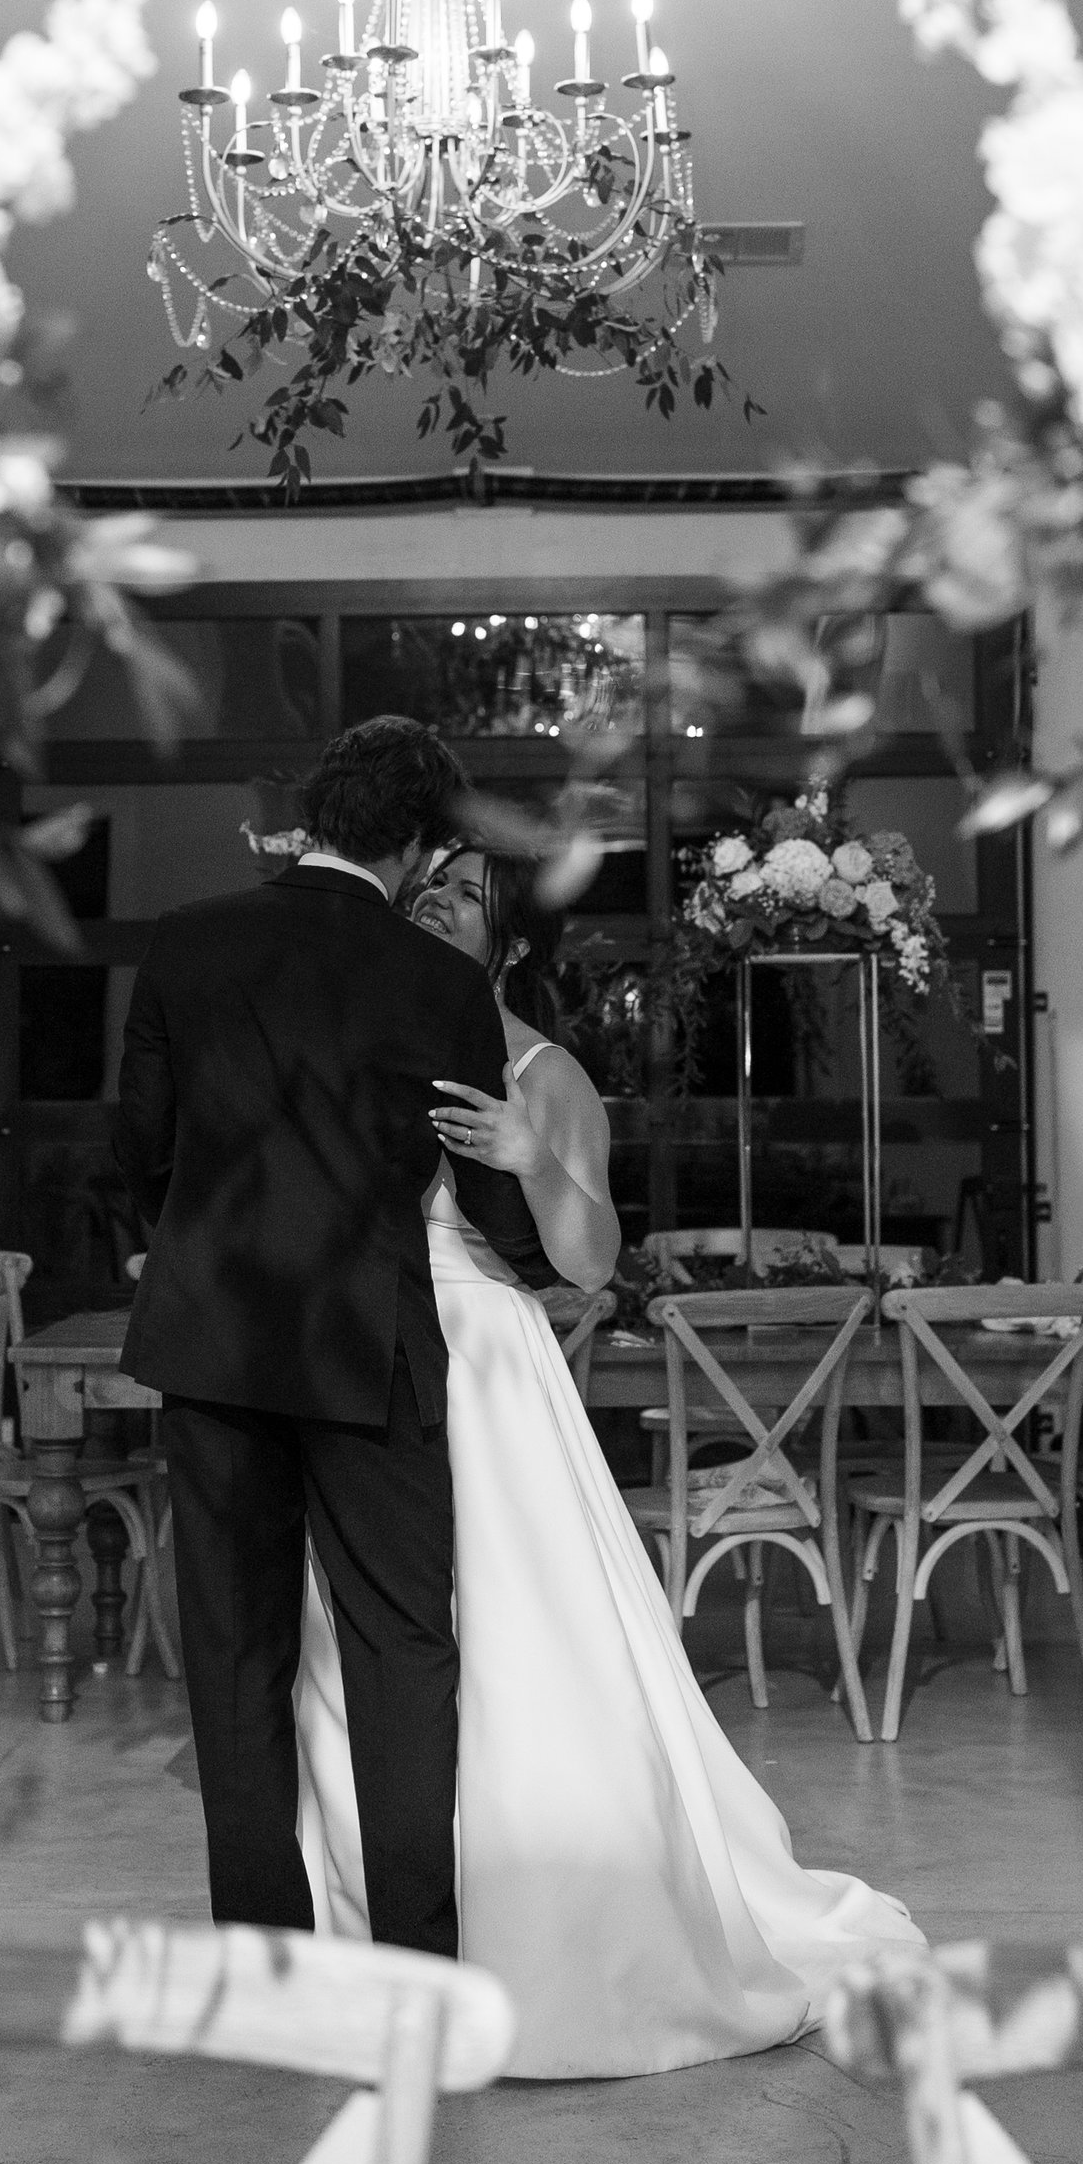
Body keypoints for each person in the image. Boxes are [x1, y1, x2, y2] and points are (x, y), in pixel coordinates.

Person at [295, 841, 926, 2077]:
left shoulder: (539, 1067)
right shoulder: (356, 1031)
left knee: (520, 1653)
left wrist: (529, 1161)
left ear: (511, 943)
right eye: (426, 881)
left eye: (465, 894)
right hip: (357, 1363)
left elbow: (590, 1259)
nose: (435, 899)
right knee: (359, 1652)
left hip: (481, 1369)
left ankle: (554, 1939)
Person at [114, 715, 547, 1959]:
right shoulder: (443, 984)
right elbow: (490, 1200)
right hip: (371, 1347)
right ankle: (415, 1961)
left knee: (235, 1652)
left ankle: (265, 1957)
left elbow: (136, 1148)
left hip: (215, 1343)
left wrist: (191, 1244)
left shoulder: (188, 944)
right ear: (414, 844)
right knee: (400, 1648)